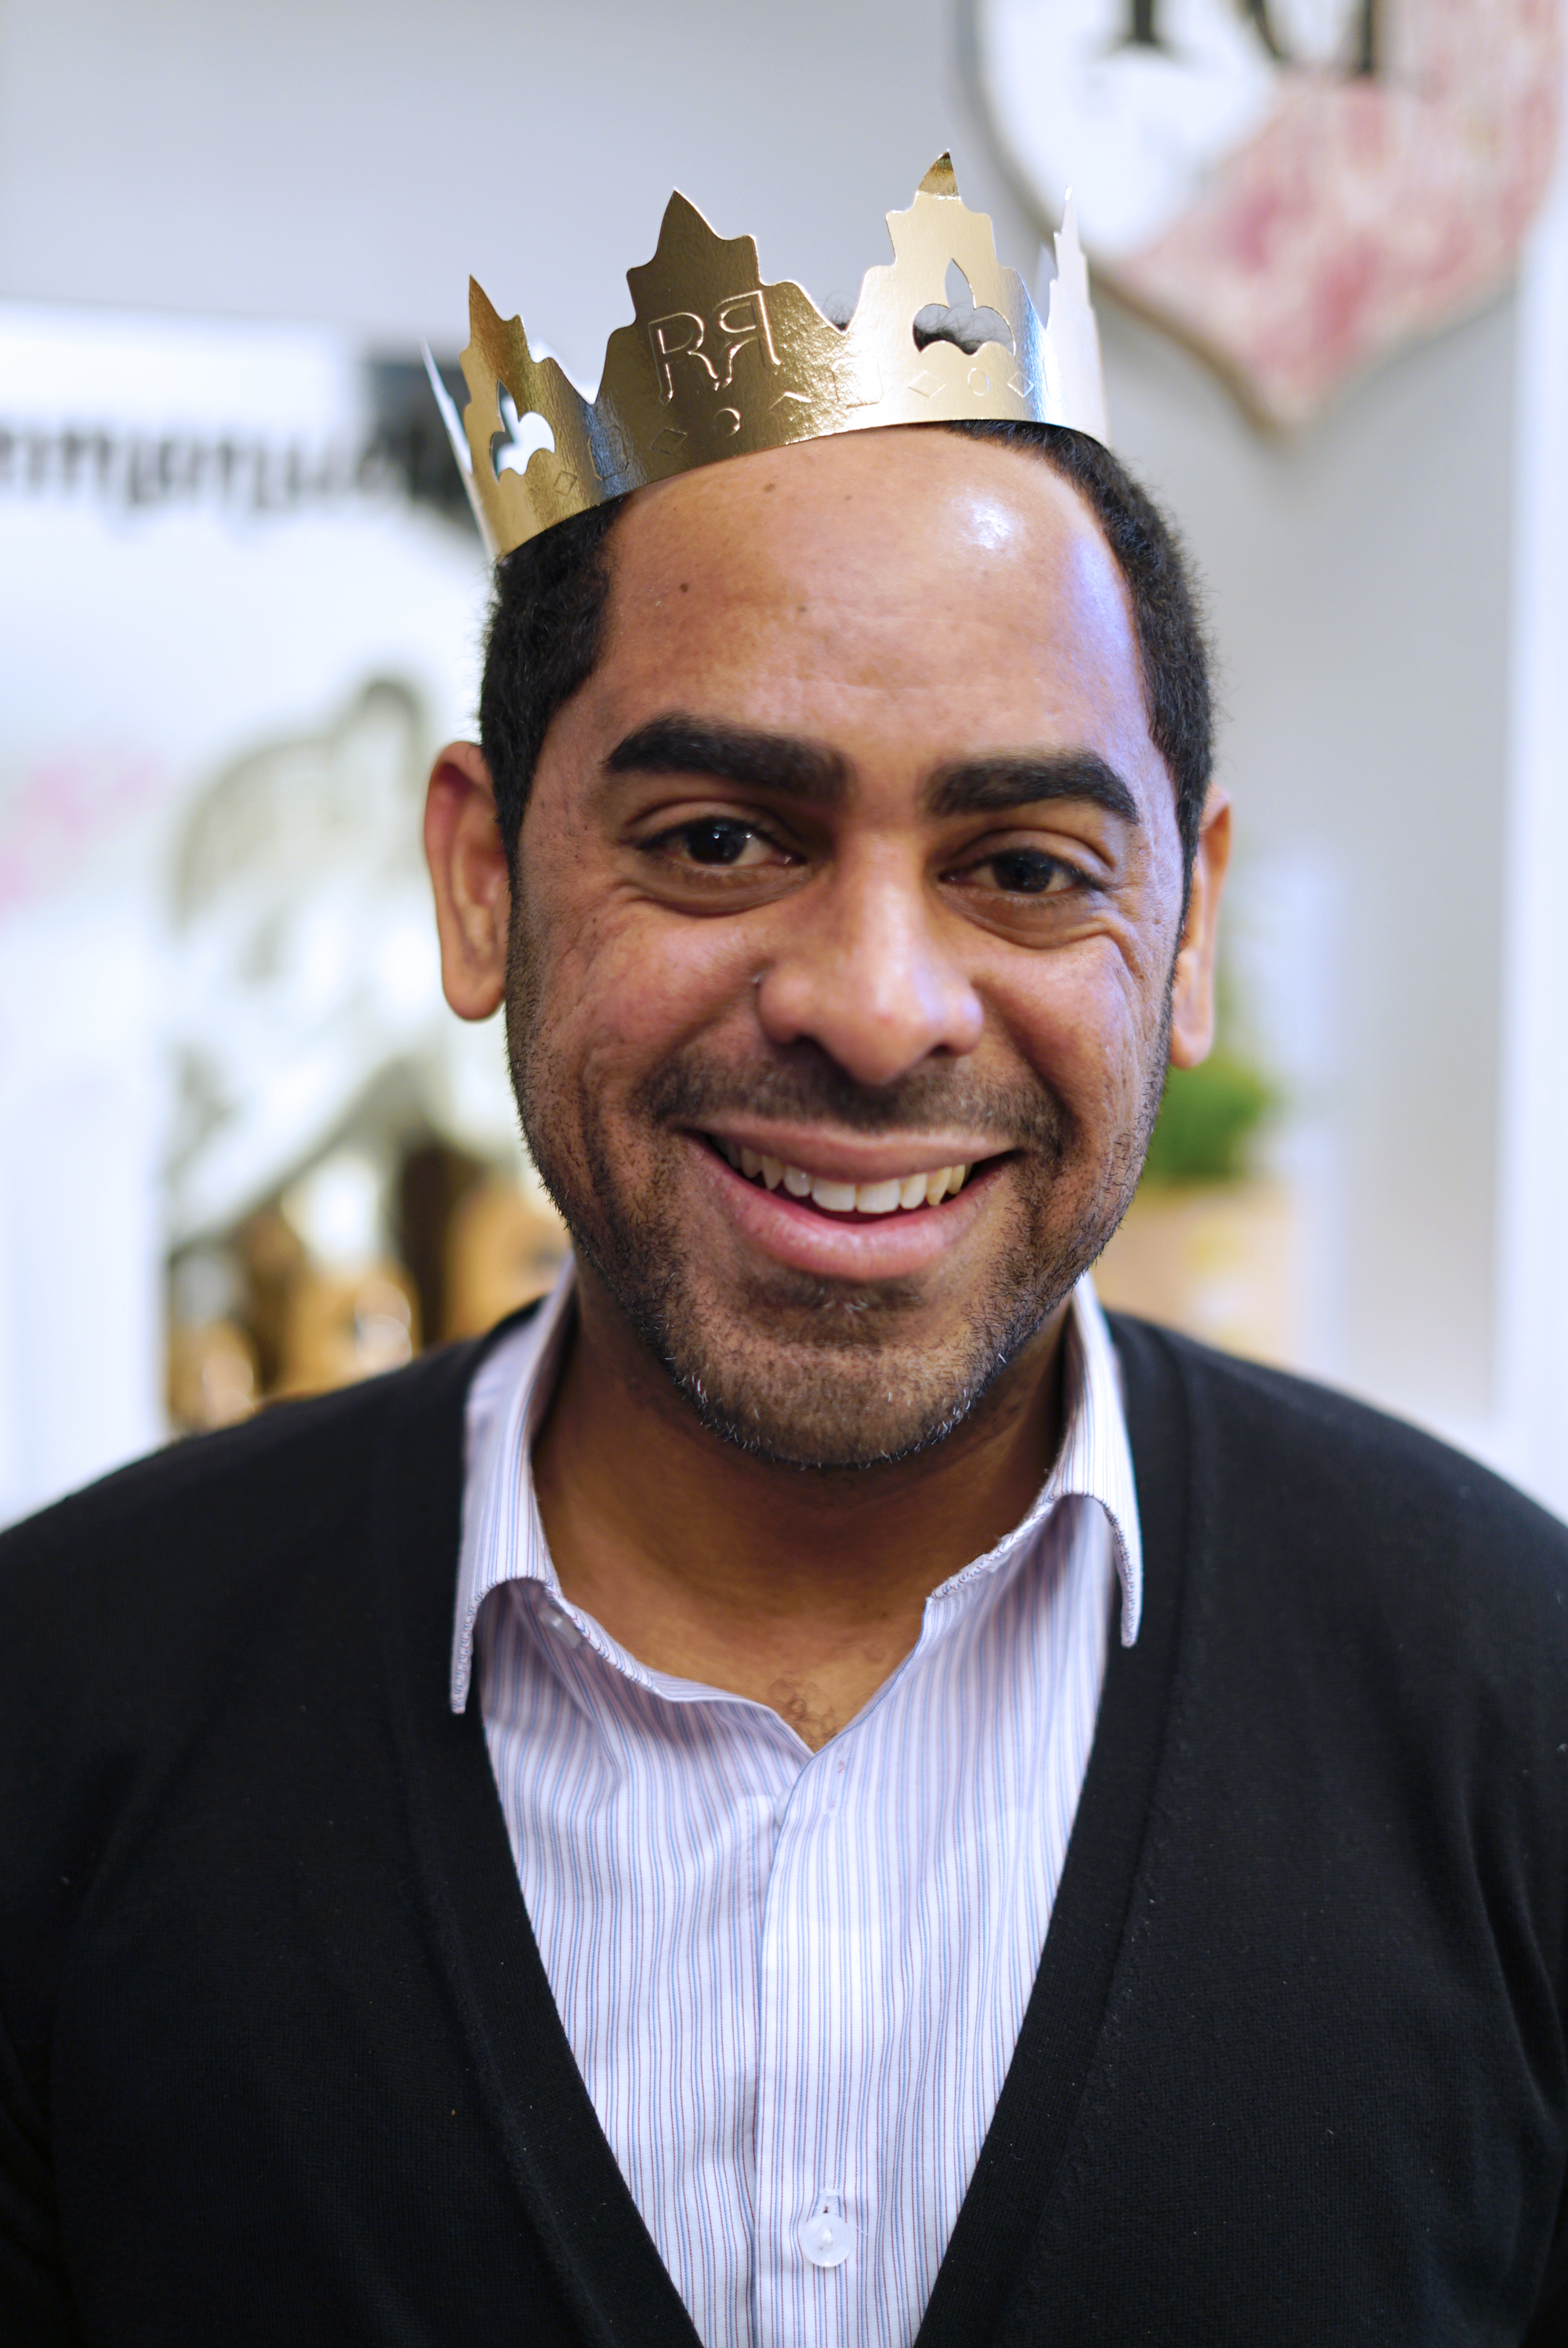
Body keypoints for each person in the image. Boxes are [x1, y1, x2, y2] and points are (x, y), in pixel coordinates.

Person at [3, 163, 1566, 2348]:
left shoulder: (1517, 1719)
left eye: (1025, 865)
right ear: (482, 881)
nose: (877, 1005)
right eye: (723, 837)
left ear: (1188, 930)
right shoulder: (58, 1711)